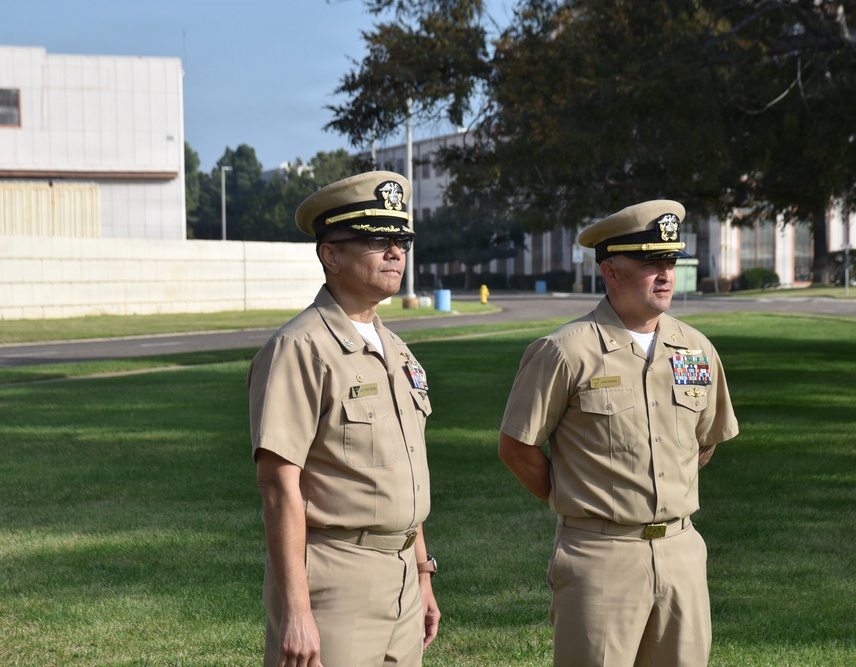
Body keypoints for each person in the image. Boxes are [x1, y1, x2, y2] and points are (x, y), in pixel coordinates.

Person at [497, 200, 739, 667]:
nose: (666, 275)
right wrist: (577, 497)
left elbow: (706, 438)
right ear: (610, 271)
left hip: (681, 552)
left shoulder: (695, 348)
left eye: (670, 262)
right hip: (601, 555)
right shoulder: (565, 351)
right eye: (651, 264)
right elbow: (516, 446)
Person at [248, 171, 440, 667]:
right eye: (378, 241)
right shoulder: (299, 348)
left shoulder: (395, 349)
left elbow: (404, 471)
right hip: (336, 580)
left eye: (401, 240)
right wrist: (295, 610)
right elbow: (277, 486)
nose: (396, 252)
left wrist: (422, 572)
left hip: (401, 578)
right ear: (330, 254)